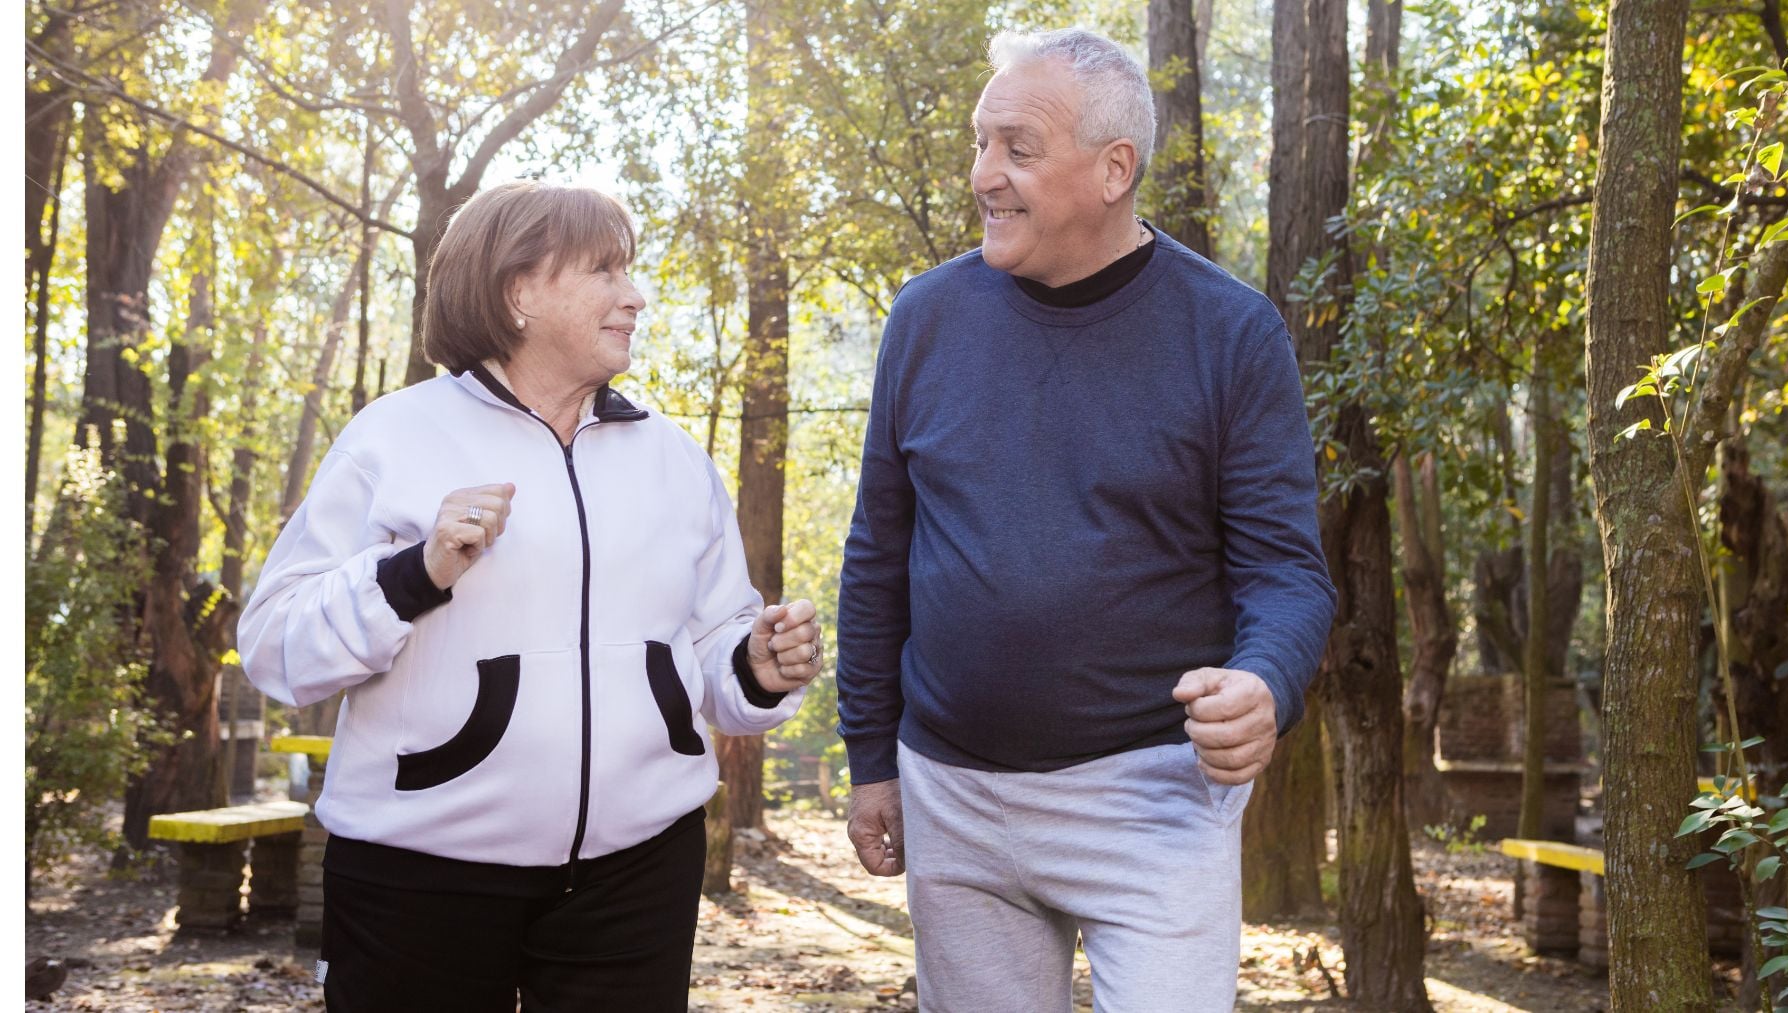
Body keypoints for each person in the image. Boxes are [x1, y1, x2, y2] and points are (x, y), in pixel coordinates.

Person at [835, 28, 1336, 1012]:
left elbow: (1287, 573)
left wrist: (1264, 682)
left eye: (1017, 148)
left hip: (1154, 800)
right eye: (981, 144)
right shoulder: (926, 318)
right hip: (956, 796)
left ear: (1115, 169)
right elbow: (878, 554)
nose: (985, 175)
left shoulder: (1232, 332)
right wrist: (868, 758)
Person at [238, 181, 824, 1013]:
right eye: (604, 270)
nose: (635, 295)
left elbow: (710, 647)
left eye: (630, 270)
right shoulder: (393, 438)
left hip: (638, 872)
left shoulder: (672, 458)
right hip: (421, 877)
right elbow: (273, 646)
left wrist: (757, 666)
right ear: (519, 293)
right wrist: (414, 573)